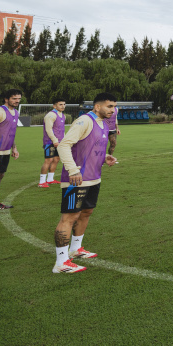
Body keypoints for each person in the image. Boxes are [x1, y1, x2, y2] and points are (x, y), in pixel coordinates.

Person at [52, 92, 119, 274]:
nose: (113, 110)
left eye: (114, 106)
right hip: (77, 178)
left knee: (86, 212)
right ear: (97, 106)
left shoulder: (103, 123)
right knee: (69, 217)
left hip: (94, 177)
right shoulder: (84, 121)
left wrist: (105, 157)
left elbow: (89, 147)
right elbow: (64, 145)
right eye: (109, 106)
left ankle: (76, 249)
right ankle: (61, 262)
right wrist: (73, 170)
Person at [39, 98, 67, 188]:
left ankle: (50, 179)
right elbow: (48, 129)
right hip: (49, 142)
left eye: (64, 104)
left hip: (60, 142)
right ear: (54, 106)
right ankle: (41, 182)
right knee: (48, 160)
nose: (63, 106)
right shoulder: (51, 115)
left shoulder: (63, 115)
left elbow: (62, 130)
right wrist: (54, 140)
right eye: (60, 104)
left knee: (56, 159)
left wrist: (64, 140)